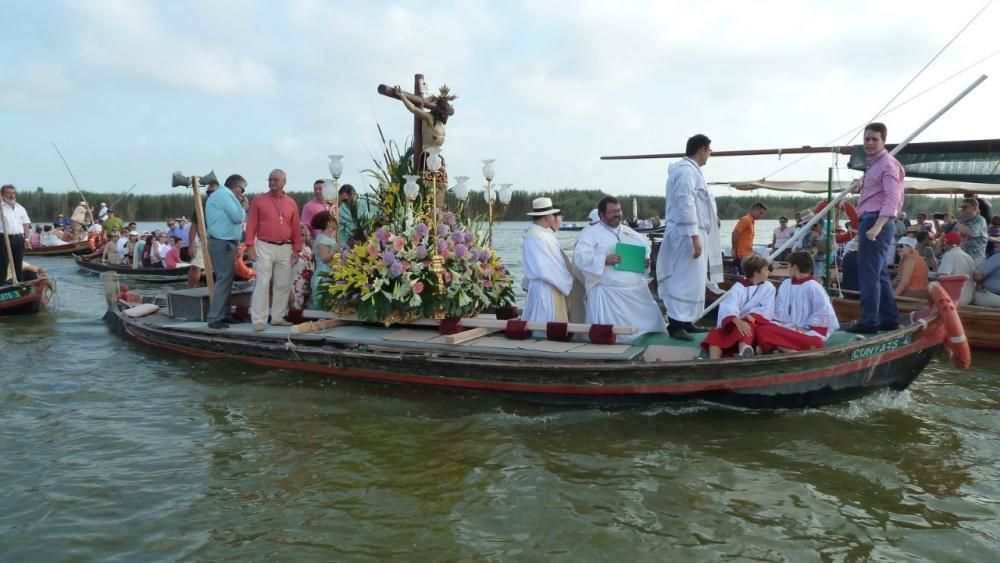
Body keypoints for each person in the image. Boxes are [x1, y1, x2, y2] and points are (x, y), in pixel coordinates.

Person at [656, 134, 722, 341]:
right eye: (709, 151)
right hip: (686, 233)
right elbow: (686, 204)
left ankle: (686, 321)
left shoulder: (693, 172)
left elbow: (700, 203)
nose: (709, 155)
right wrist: (694, 236)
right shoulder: (685, 172)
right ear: (702, 149)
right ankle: (675, 324)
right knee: (683, 278)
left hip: (696, 232)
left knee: (694, 280)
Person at [573, 196, 666, 342]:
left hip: (635, 289)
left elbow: (645, 249)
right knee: (616, 337)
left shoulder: (629, 231)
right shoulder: (591, 234)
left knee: (652, 321)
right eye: (612, 212)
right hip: (609, 291)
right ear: (601, 215)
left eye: (619, 210)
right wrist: (604, 260)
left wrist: (645, 263)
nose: (617, 214)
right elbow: (579, 258)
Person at [846, 122, 905, 334]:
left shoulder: (888, 164)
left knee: (868, 274)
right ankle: (889, 319)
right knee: (879, 274)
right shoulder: (873, 165)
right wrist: (861, 186)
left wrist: (878, 226)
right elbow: (879, 192)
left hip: (875, 221)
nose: (869, 143)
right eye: (867, 139)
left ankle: (869, 322)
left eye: (874, 139)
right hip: (872, 219)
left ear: (883, 141)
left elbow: (893, 197)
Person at [245, 169, 302, 331]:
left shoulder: (291, 202)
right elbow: (251, 224)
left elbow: (296, 227)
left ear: (284, 181)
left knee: (283, 284)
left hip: (285, 247)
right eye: (270, 179)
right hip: (264, 245)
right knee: (262, 283)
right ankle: (259, 320)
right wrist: (249, 245)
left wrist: (297, 249)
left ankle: (277, 317)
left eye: (276, 180)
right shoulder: (259, 200)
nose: (272, 182)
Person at [755, 251, 840, 353]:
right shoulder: (786, 284)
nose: (787, 269)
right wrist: (783, 324)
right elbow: (778, 310)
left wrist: (806, 328)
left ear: (794, 267)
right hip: (786, 328)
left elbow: (824, 314)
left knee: (816, 342)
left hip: (805, 332)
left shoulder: (814, 287)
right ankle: (787, 349)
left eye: (788, 266)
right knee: (762, 329)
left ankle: (775, 346)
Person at [521, 197, 582, 329]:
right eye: (551, 214)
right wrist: (568, 279)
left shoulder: (545, 233)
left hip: (554, 284)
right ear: (546, 217)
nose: (553, 217)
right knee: (545, 321)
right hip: (545, 286)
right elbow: (544, 267)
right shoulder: (534, 236)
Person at [701, 255, 775, 359]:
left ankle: (744, 352)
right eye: (766, 270)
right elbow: (728, 306)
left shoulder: (768, 288)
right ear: (756, 273)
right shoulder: (738, 287)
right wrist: (736, 320)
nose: (769, 272)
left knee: (746, 327)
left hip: (755, 321)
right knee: (716, 334)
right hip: (736, 321)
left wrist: (750, 316)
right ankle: (713, 361)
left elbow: (767, 308)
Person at [204, 173, 248, 329]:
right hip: (221, 242)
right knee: (224, 279)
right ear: (235, 186)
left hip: (224, 242)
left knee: (227, 279)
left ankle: (225, 314)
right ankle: (215, 317)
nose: (242, 194)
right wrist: (243, 208)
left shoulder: (222, 195)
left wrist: (236, 243)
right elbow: (237, 218)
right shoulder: (225, 195)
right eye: (242, 189)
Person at [1, 184, 32, 283]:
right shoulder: (1, 207)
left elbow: (26, 223)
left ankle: (19, 284)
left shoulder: (20, 208)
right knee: (3, 263)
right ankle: (1, 285)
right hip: (3, 238)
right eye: (8, 193)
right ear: (2, 195)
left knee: (18, 262)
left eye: (13, 193)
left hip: (18, 238)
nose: (11, 195)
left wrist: (26, 239)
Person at [936, 231, 977, 306]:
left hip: (954, 299)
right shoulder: (968, 257)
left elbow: (942, 277)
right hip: (969, 297)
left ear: (946, 243)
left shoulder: (949, 255)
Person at [309, 210, 338, 309]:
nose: (335, 222)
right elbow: (324, 258)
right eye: (333, 219)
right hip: (322, 276)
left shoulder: (329, 238)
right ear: (328, 222)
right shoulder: (322, 239)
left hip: (330, 275)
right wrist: (334, 251)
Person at [731, 202, 766, 273]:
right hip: (742, 256)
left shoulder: (751, 221)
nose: (761, 216)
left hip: (747, 255)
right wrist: (734, 249)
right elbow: (735, 233)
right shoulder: (746, 220)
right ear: (754, 210)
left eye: (763, 214)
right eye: (761, 213)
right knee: (744, 276)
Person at [954, 198, 988, 263]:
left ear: (974, 208)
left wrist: (954, 222)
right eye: (961, 207)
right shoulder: (960, 219)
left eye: (965, 207)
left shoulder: (980, 220)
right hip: (961, 257)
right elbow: (954, 235)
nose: (962, 209)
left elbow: (970, 232)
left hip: (975, 259)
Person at [291, 223, 314, 310]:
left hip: (307, 288)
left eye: (303, 235)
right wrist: (289, 293)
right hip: (294, 289)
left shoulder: (308, 250)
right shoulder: (290, 251)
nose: (301, 238)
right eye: (298, 235)